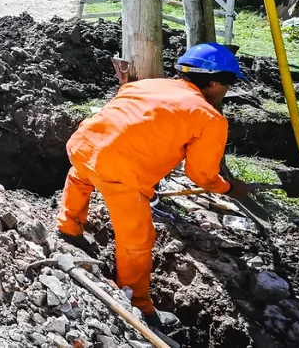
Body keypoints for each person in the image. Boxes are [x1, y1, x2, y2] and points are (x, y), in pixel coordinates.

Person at [55, 43, 250, 328]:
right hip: (119, 174)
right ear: (214, 82)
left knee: (80, 177)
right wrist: (229, 189)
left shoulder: (148, 85)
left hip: (84, 146)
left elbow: (133, 124)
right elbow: (201, 175)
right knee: (137, 240)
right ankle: (138, 304)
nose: (226, 93)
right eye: (227, 85)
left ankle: (68, 227)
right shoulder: (210, 119)